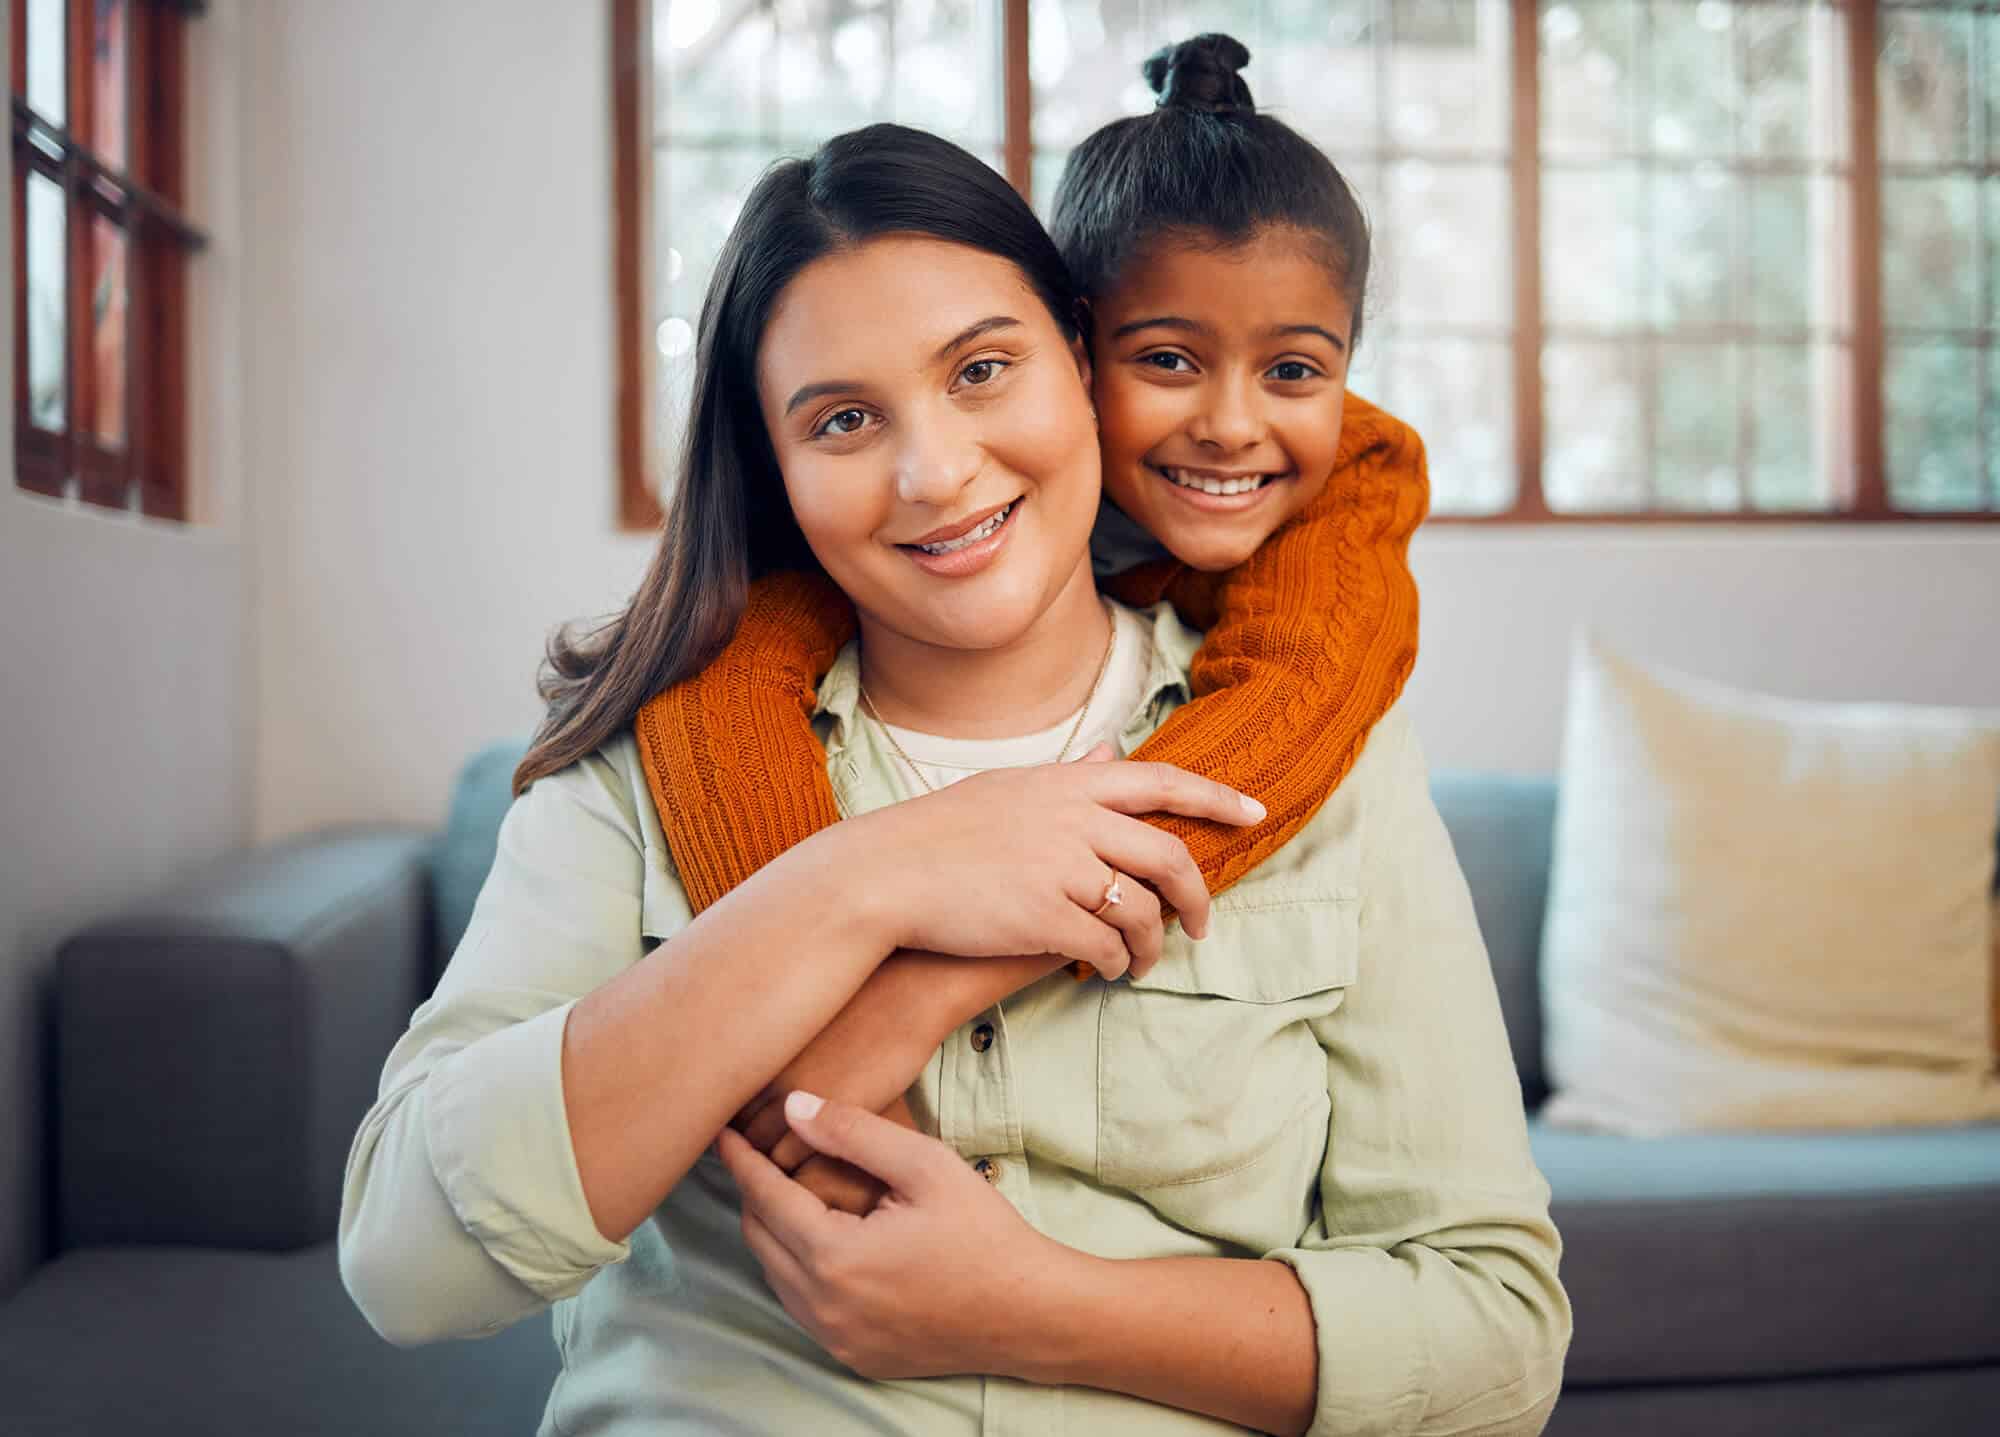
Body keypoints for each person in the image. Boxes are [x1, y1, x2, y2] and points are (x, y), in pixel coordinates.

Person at [339, 121, 1568, 1437]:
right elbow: (409, 1265)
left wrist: (1041, 1304)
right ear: (777, 465)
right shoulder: (637, 769)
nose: (935, 474)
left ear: (1085, 364)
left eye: (982, 369)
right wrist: (866, 877)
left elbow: (1496, 1337)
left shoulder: (1338, 764)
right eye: (846, 418)